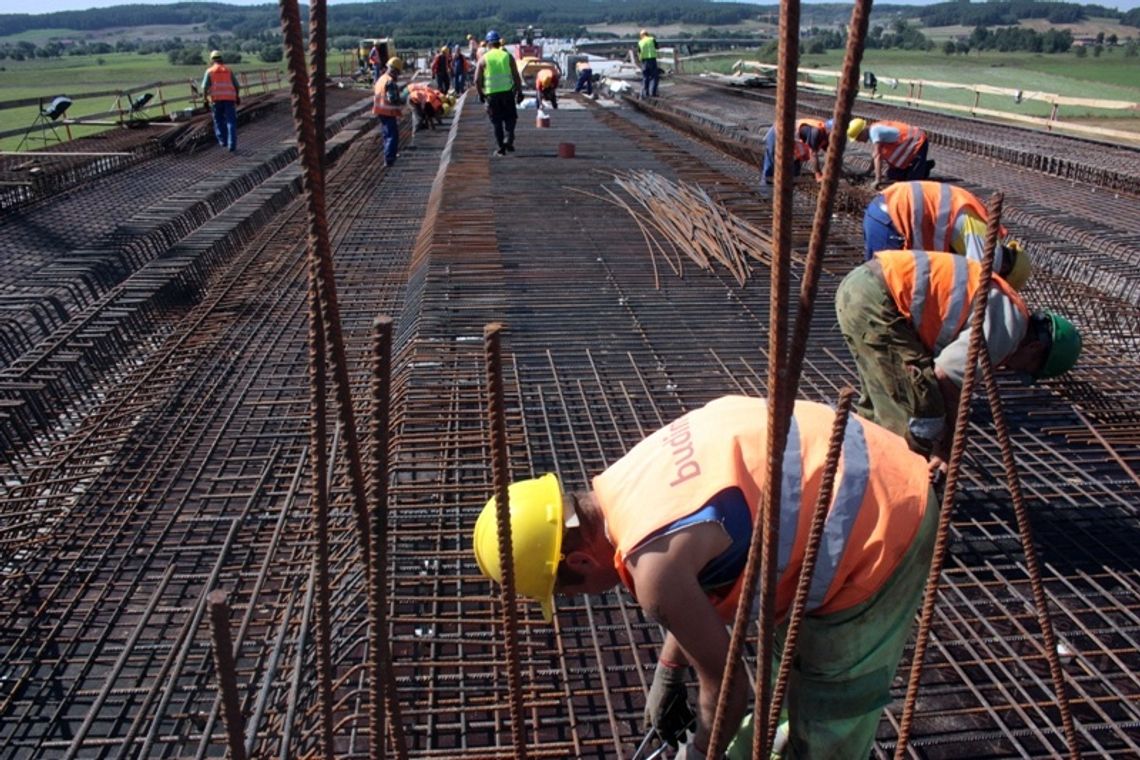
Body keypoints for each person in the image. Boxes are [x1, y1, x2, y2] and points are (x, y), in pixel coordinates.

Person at [473, 395, 940, 760]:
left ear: (578, 563)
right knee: (784, 661)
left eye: (568, 593)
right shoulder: (627, 479)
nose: (585, 597)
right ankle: (777, 734)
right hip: (864, 456)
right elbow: (687, 570)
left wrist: (700, 752)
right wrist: (670, 669)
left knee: (832, 700)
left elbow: (729, 686)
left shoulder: (651, 569)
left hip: (886, 517)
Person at [836, 249, 1080, 467]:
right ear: (1035, 348)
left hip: (865, 287)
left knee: (880, 405)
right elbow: (946, 379)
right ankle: (902, 486)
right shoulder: (1009, 328)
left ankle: (857, 473)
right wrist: (946, 447)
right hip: (878, 297)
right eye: (1027, 369)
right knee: (920, 408)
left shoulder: (1007, 308)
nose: (1015, 371)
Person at [862, 180, 1031, 289]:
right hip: (893, 218)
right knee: (883, 289)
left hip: (885, 207)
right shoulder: (988, 250)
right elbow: (974, 285)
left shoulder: (983, 227)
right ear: (1005, 272)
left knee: (873, 282)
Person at [475, 29, 524, 157]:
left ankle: (501, 148)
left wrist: (481, 94)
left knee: (496, 122)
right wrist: (519, 92)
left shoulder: (484, 59)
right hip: (507, 93)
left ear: (488, 43)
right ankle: (509, 137)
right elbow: (516, 76)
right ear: (498, 42)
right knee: (510, 117)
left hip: (491, 96)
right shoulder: (507, 56)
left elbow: (476, 80)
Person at [848, 118, 934, 186]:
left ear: (862, 132)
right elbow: (876, 155)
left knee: (912, 182)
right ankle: (922, 166)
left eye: (857, 138)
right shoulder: (874, 131)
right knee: (892, 175)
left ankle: (923, 167)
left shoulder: (874, 132)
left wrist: (878, 180)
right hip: (910, 143)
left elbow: (877, 156)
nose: (858, 141)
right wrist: (869, 171)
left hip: (918, 141)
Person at [760, 117, 831, 187]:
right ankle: (765, 191)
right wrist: (818, 175)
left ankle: (785, 192)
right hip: (778, 133)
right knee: (770, 169)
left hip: (793, 145)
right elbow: (813, 154)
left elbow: (829, 154)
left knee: (794, 175)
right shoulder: (816, 131)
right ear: (829, 131)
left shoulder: (828, 138)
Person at [202, 51, 241, 153]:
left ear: (212, 60)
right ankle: (232, 144)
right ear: (221, 58)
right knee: (231, 121)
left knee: (218, 121)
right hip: (229, 99)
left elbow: (204, 87)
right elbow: (237, 86)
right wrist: (237, 97)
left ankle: (223, 141)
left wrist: (205, 100)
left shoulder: (209, 71)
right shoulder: (228, 70)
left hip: (216, 100)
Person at [372, 57, 405, 168]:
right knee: (392, 135)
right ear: (394, 70)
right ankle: (390, 158)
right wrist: (403, 99)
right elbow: (392, 98)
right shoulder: (389, 81)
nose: (398, 75)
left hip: (380, 111)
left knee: (386, 135)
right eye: (397, 73)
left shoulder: (381, 79)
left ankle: (388, 155)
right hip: (388, 111)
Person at [638, 29, 659, 98]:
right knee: (654, 77)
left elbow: (639, 52)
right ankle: (652, 93)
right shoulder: (652, 39)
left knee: (645, 77)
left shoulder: (640, 42)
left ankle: (645, 93)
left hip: (644, 61)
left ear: (641, 35)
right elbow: (657, 47)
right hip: (652, 60)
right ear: (647, 34)